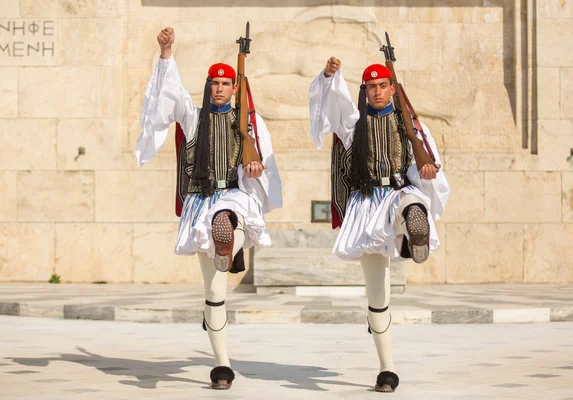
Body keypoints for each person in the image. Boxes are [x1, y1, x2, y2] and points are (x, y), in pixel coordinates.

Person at [135, 27, 282, 390]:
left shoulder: (248, 123)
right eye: (214, 83)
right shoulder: (193, 116)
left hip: (234, 198)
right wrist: (167, 53)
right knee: (215, 294)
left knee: (226, 217)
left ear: (235, 89)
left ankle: (228, 237)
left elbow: (265, 164)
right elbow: (169, 94)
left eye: (225, 84)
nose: (219, 88)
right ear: (208, 86)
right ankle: (222, 363)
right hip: (202, 202)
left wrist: (255, 168)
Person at [309, 56, 450, 393]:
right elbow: (331, 106)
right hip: (368, 205)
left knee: (413, 202)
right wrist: (329, 76)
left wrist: (429, 171)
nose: (376, 92)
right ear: (365, 90)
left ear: (391, 88)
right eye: (370, 87)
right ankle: (387, 369)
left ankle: (410, 232)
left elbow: (428, 161)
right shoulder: (354, 125)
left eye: (382, 86)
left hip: (400, 191)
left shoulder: (410, 124)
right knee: (377, 296)